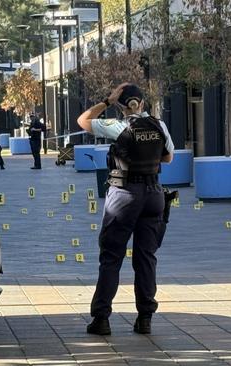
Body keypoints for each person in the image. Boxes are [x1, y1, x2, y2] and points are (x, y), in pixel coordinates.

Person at [76, 83, 175, 336]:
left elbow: (83, 120)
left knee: (111, 257)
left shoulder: (118, 126)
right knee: (146, 258)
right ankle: (144, 318)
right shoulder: (158, 125)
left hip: (124, 195)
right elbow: (168, 158)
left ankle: (101, 319)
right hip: (153, 195)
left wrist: (107, 101)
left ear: (122, 106)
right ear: (141, 103)